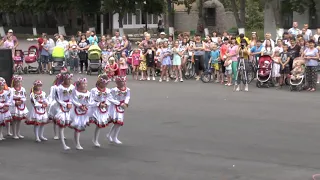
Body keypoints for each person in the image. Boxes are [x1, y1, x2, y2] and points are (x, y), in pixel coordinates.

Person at [89, 74, 113, 147]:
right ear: (100, 82)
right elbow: (90, 101)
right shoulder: (94, 90)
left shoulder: (108, 90)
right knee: (81, 123)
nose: (105, 85)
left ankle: (95, 139)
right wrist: (98, 104)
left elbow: (110, 98)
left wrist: (106, 104)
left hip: (103, 109)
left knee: (99, 125)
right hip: (94, 108)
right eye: (104, 83)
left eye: (106, 83)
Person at [107, 76, 130, 144]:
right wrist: (117, 103)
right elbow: (110, 98)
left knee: (119, 123)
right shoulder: (114, 90)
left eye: (123, 81)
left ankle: (113, 136)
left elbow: (128, 97)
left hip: (121, 107)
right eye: (120, 82)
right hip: (114, 107)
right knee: (117, 122)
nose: (122, 83)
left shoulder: (127, 89)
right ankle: (113, 136)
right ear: (117, 83)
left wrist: (125, 103)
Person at [69, 77, 91, 150]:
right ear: (78, 84)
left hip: (84, 111)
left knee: (80, 126)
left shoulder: (88, 93)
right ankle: (77, 143)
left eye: (85, 83)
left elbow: (89, 101)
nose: (84, 85)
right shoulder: (75, 92)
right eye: (83, 84)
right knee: (77, 127)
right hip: (76, 110)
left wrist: (86, 106)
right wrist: (80, 106)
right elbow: (73, 100)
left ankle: (77, 142)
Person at [54, 72, 75, 150]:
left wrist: (70, 103)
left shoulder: (73, 87)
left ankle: (75, 141)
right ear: (63, 79)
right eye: (67, 79)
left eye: (70, 79)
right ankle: (64, 144)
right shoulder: (59, 88)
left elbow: (74, 97)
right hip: (61, 107)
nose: (69, 81)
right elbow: (57, 98)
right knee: (61, 125)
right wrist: (65, 104)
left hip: (70, 107)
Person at [10, 75, 28, 139]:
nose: (18, 83)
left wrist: (22, 101)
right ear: (14, 82)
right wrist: (15, 102)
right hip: (14, 106)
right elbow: (10, 98)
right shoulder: (11, 89)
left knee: (19, 120)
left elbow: (25, 96)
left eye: (20, 82)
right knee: (14, 121)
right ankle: (14, 134)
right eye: (17, 82)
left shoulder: (23, 89)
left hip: (21, 105)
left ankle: (18, 133)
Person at [47, 73, 63, 140]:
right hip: (55, 104)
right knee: (55, 121)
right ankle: (56, 134)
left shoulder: (63, 87)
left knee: (62, 120)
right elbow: (51, 96)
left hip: (62, 104)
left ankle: (61, 134)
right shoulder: (53, 87)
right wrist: (50, 103)